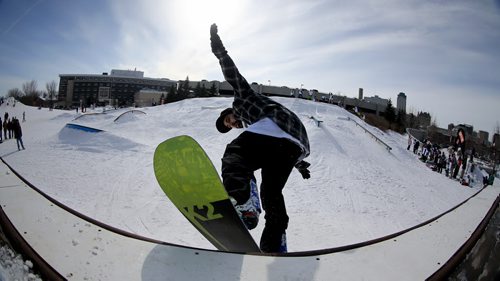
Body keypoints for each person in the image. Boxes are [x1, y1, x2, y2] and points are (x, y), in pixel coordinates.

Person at [210, 24, 311, 253]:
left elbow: (232, 75)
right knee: (271, 193)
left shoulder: (244, 99)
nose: (234, 124)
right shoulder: (254, 125)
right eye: (232, 126)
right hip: (294, 144)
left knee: (235, 153)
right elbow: (281, 143)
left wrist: (219, 50)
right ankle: (275, 243)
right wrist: (299, 164)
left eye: (229, 121)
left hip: (278, 129)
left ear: (228, 112)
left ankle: (241, 200)